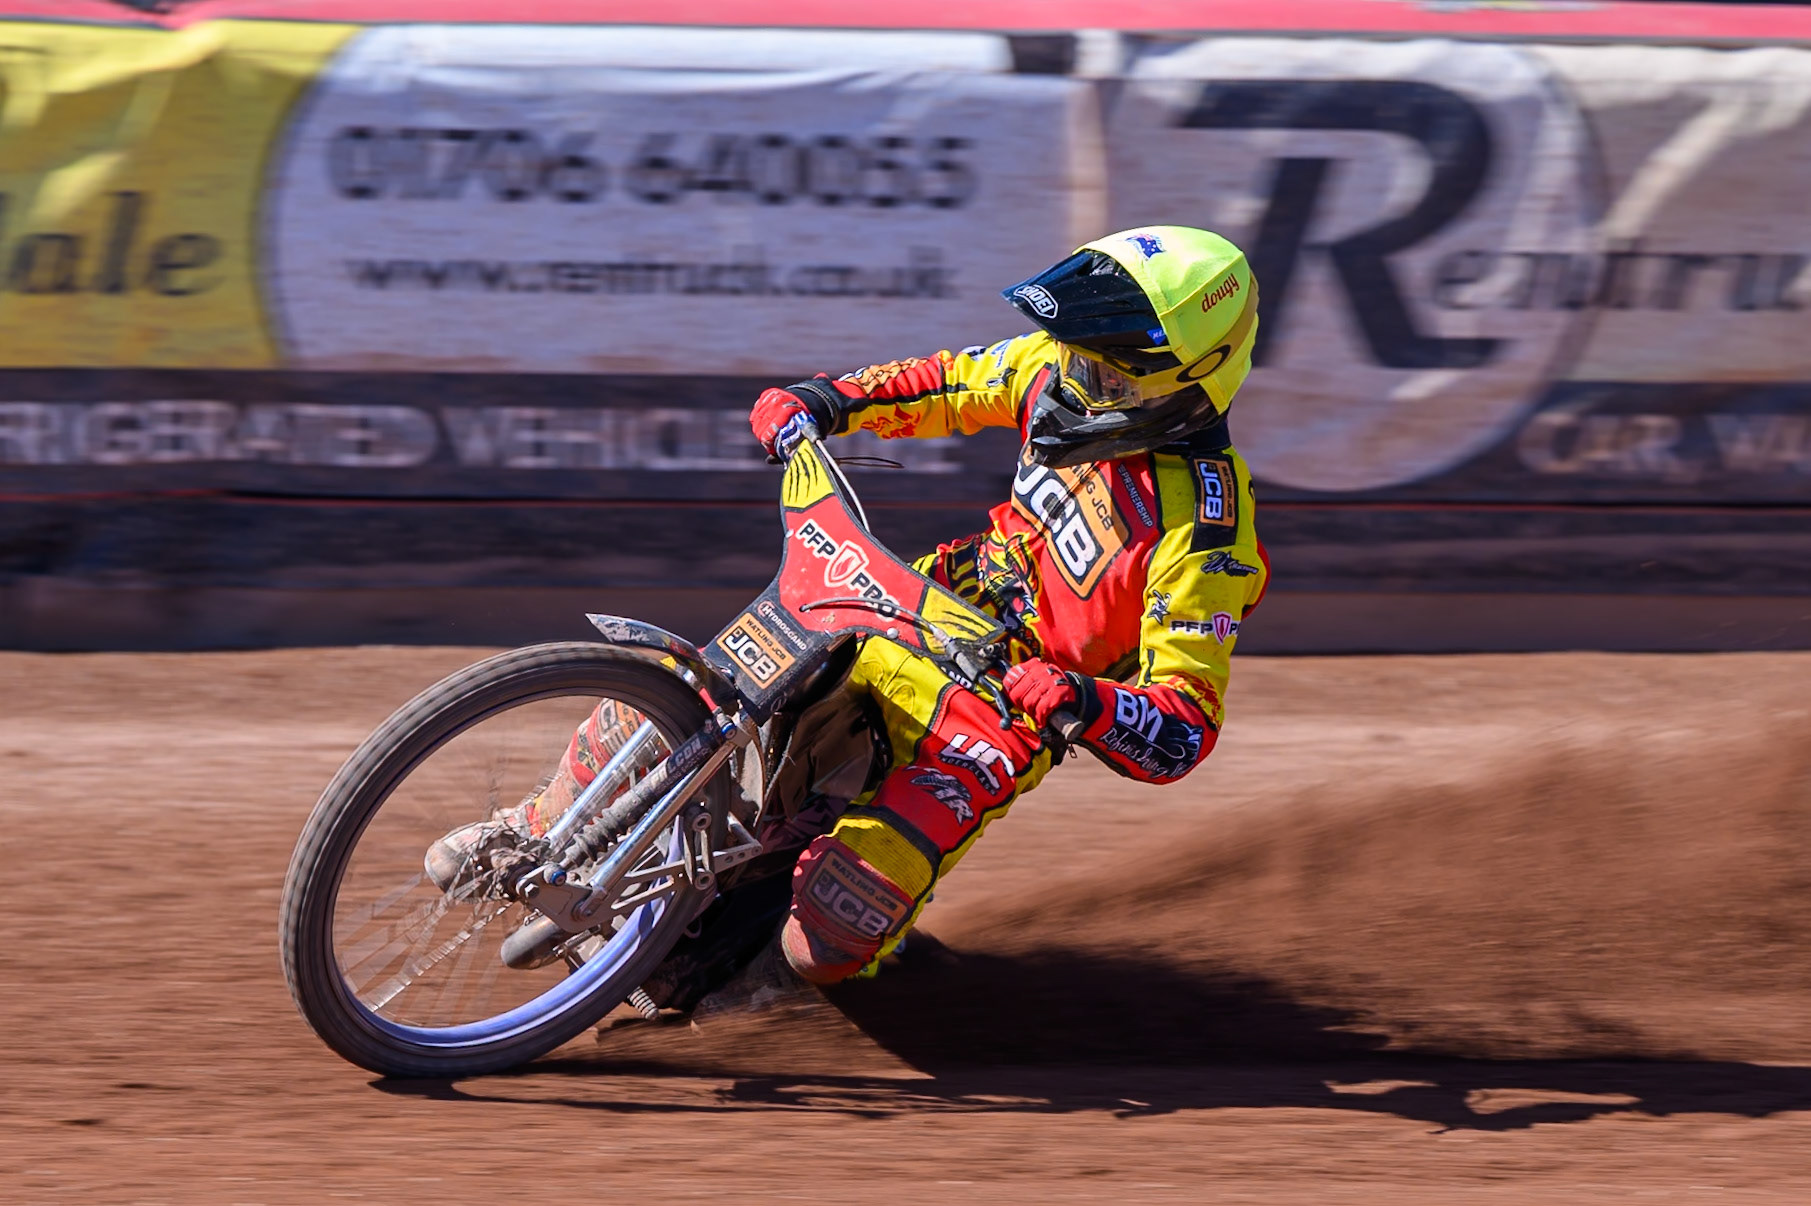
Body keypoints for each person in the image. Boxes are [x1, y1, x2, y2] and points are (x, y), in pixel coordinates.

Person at [746, 224, 1269, 983]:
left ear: (1187, 379)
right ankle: (539, 831)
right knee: (698, 692)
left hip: (1001, 707)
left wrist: (1080, 699)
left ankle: (895, 993)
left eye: (1107, 372)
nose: (1076, 377)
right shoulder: (1054, 365)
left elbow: (1184, 726)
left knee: (828, 934)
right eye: (1076, 353)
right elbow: (946, 383)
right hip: (916, 598)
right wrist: (825, 399)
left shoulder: (1206, 532)